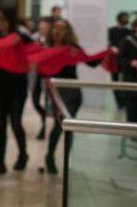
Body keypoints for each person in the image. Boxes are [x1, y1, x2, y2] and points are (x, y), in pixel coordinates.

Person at [43, 19, 101, 172]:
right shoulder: (47, 48)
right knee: (58, 127)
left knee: (69, 127)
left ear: (67, 32)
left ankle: (68, 162)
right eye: (55, 27)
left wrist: (109, 52)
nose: (58, 30)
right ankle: (50, 157)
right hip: (56, 93)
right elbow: (41, 71)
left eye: (62, 28)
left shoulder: (73, 48)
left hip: (72, 92)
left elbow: (92, 62)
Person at [0, 7, 31, 175]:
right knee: (0, 126)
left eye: (4, 19)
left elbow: (35, 54)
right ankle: (0, 162)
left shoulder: (22, 38)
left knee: (15, 123)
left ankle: (22, 155)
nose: (0, 23)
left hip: (17, 89)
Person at [30, 17, 53, 138]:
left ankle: (44, 127)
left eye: (45, 27)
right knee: (35, 101)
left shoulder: (53, 41)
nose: (42, 29)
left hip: (48, 75)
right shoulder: (34, 38)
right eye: (41, 27)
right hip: (36, 75)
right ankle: (43, 116)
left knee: (48, 101)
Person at [108, 11, 131, 109]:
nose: (127, 20)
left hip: (124, 59)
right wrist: (111, 47)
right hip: (113, 60)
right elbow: (107, 43)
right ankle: (119, 102)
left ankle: (125, 101)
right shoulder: (111, 30)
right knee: (115, 81)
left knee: (125, 80)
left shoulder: (129, 32)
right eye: (125, 17)